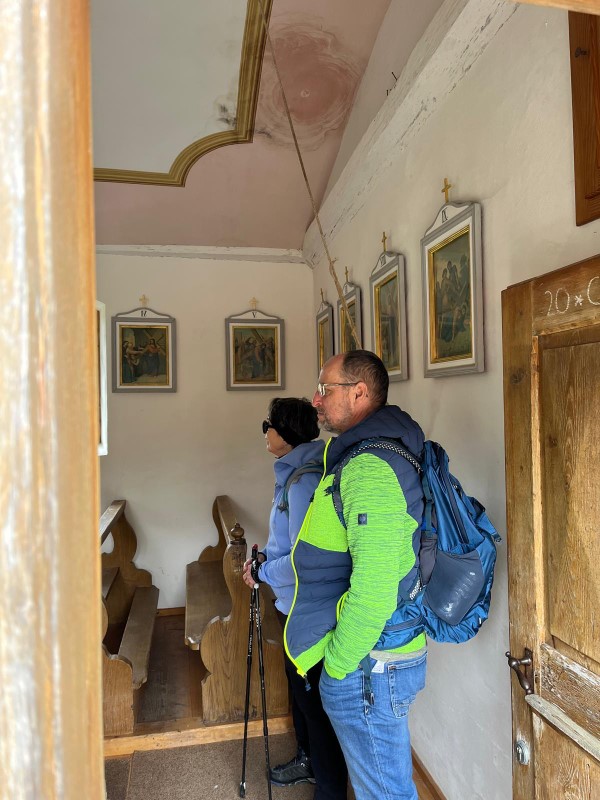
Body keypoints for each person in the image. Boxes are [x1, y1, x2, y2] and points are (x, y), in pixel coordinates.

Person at [285, 351, 427, 800]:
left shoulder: (369, 468)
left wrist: (338, 669)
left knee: (384, 793)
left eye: (324, 389)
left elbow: (375, 590)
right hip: (372, 660)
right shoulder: (365, 453)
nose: (315, 399)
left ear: (359, 393)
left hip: (368, 664)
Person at [242, 397, 348, 800]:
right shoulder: (295, 472)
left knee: (313, 704)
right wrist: (265, 560)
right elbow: (287, 543)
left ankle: (329, 789)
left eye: (267, 425)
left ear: (285, 433)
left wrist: (263, 573)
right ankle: (309, 763)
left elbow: (304, 559)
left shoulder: (304, 482)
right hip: (295, 603)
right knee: (302, 697)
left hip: (307, 608)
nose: (265, 432)